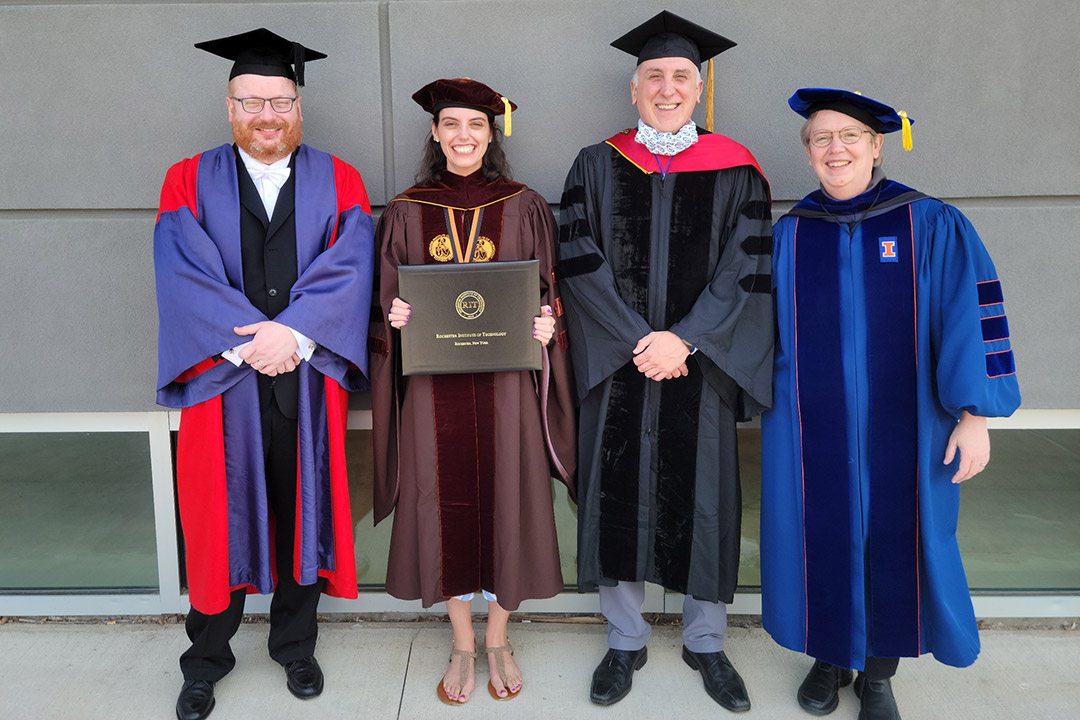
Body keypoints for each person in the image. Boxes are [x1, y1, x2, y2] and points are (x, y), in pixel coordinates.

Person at [761, 88, 1021, 720]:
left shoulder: (928, 222)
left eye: (849, 136)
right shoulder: (792, 233)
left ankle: (878, 673)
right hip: (807, 430)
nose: (835, 148)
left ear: (877, 146)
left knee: (894, 537)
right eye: (821, 138)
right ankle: (827, 657)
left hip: (909, 427)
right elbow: (756, 332)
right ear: (809, 152)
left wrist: (974, 416)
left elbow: (969, 316)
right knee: (814, 533)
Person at [154, 28, 374, 720]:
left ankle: (295, 645)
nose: (267, 116)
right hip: (224, 383)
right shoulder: (187, 177)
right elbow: (180, 270)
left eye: (280, 102)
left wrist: (296, 333)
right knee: (218, 520)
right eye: (252, 102)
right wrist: (247, 343)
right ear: (229, 107)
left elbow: (351, 265)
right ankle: (206, 660)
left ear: (298, 106)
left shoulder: (339, 178)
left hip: (304, 379)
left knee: (298, 510)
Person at [557, 10, 773, 712]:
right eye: (655, 76)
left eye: (682, 76)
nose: (669, 87)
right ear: (634, 89)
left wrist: (685, 338)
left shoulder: (737, 168)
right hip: (620, 365)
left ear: (701, 88)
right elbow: (577, 259)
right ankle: (624, 640)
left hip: (700, 365)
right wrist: (636, 341)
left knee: (703, 499)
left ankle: (707, 642)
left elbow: (747, 268)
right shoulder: (596, 162)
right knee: (616, 490)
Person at [369, 77, 576, 705]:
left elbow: (552, 293)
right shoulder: (407, 208)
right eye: (452, 124)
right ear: (435, 132)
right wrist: (393, 318)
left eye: (476, 125)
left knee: (507, 494)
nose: (464, 135)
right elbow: (382, 304)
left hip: (509, 385)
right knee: (442, 502)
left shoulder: (526, 205)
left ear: (493, 133)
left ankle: (498, 638)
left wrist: (550, 324)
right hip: (434, 390)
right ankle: (462, 640)